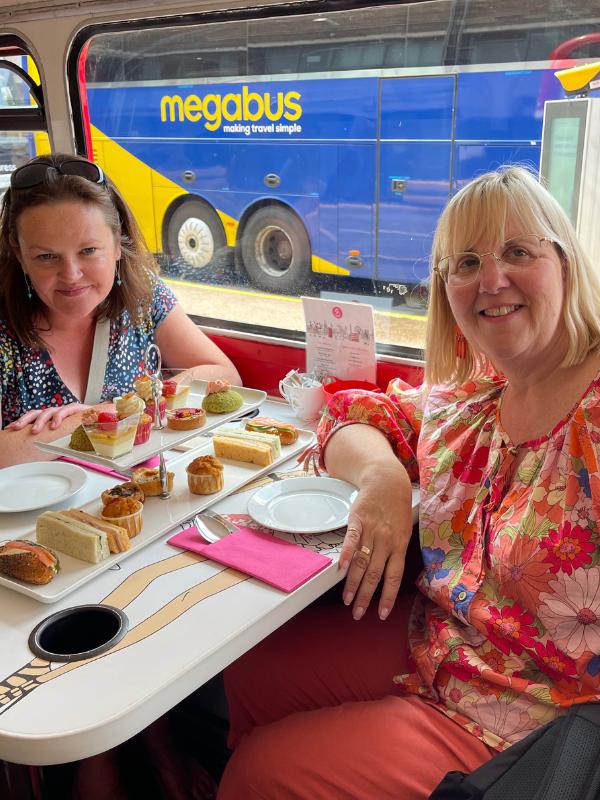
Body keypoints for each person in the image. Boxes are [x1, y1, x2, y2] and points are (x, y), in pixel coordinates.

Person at [217, 165, 600, 799]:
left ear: (564, 262)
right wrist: (384, 478)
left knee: (259, 773)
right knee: (251, 673)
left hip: (534, 719)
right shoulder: (478, 392)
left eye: (517, 252)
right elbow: (355, 414)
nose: (492, 280)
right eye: (467, 262)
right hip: (448, 644)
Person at [0, 153, 240, 467]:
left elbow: (223, 376)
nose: (71, 274)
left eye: (88, 250)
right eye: (46, 257)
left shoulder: (142, 296)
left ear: (116, 244)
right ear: (20, 255)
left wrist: (104, 412)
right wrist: (105, 417)